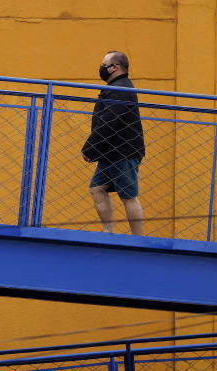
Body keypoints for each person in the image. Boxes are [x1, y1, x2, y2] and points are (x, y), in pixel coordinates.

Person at [82, 51, 146, 235]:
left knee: (129, 197)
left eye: (104, 64)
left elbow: (109, 121)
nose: (101, 68)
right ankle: (108, 230)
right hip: (111, 152)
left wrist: (90, 148)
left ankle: (138, 239)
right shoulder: (116, 87)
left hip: (122, 152)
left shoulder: (121, 89)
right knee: (97, 188)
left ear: (115, 67)